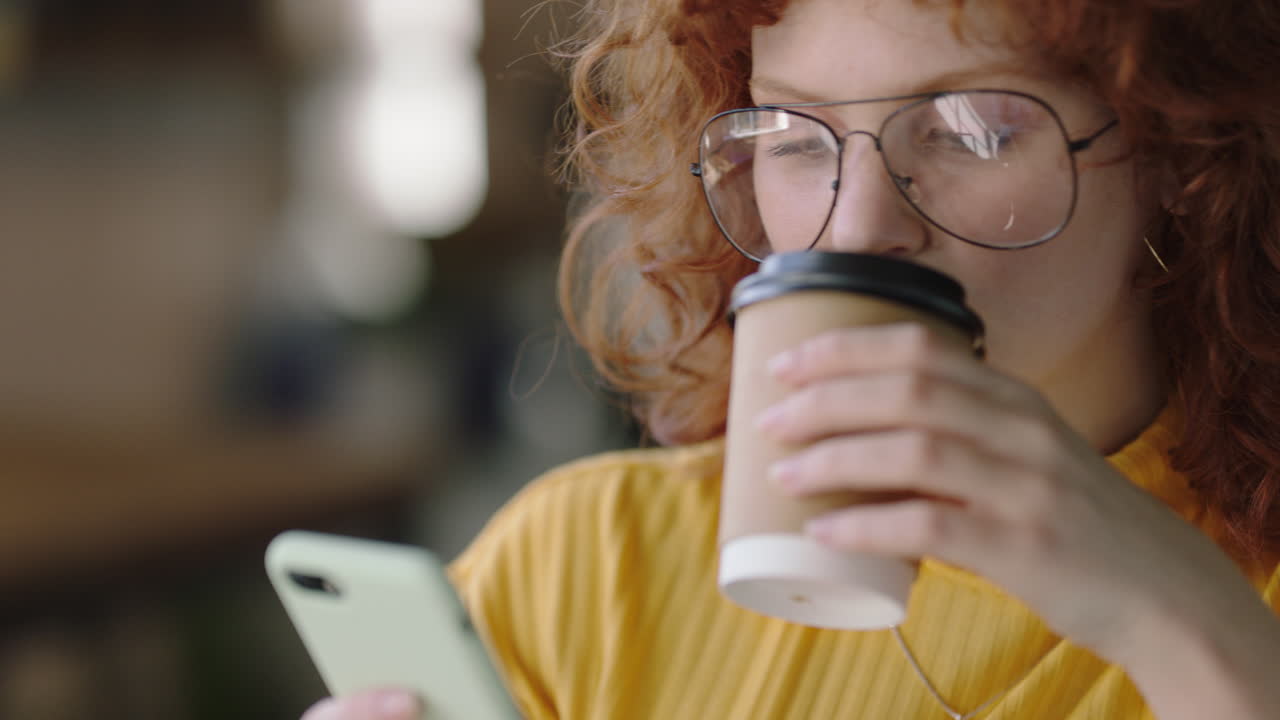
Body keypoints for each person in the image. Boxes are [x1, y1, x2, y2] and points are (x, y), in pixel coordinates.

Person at [303, 0, 1280, 717]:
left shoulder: (1245, 613)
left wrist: (1178, 625)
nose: (852, 231)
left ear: (1181, 159)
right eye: (791, 136)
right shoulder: (585, 576)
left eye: (974, 131)